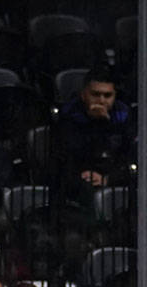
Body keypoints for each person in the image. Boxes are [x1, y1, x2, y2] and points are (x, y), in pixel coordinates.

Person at [54, 66, 134, 206]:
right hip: (81, 177)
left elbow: (129, 155)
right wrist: (97, 124)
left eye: (107, 95)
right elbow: (69, 157)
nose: (101, 101)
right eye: (95, 94)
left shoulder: (123, 115)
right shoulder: (69, 116)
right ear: (83, 95)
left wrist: (109, 179)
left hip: (114, 175)